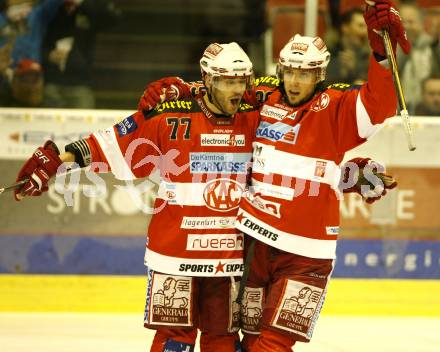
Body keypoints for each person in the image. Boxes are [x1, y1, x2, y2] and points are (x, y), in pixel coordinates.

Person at [137, 1, 407, 351]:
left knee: (273, 344)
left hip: (307, 253)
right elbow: (221, 88)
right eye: (290, 71)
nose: (295, 81)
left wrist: (380, 52)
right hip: (256, 244)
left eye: (305, 73)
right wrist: (179, 91)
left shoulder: (337, 106)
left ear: (320, 74)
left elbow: (380, 104)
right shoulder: (264, 96)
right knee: (242, 342)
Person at [14, 41, 260, 352]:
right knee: (174, 343)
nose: (237, 89)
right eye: (227, 81)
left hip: (229, 258)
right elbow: (110, 144)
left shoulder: (256, 116)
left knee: (223, 342)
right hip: (176, 255)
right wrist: (53, 163)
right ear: (209, 80)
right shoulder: (168, 116)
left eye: (242, 81)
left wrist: (185, 86)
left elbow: (293, 95)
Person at [42, 0, 120, 108]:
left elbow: (113, 19)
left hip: (81, 83)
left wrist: (81, 3)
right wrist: (48, 55)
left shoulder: (89, 9)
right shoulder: (49, 9)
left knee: (84, 124)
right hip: (51, 82)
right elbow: (34, 39)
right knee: (47, 124)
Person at [397, 2, 440, 113]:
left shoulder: (432, 46)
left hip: (429, 108)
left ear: (421, 23)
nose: (406, 26)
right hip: (399, 108)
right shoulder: (391, 48)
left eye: (411, 22)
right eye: (402, 22)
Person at [326, 8, 370, 84]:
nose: (365, 31)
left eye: (366, 26)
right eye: (360, 26)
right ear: (345, 28)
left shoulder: (367, 54)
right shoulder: (329, 52)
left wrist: (354, 69)